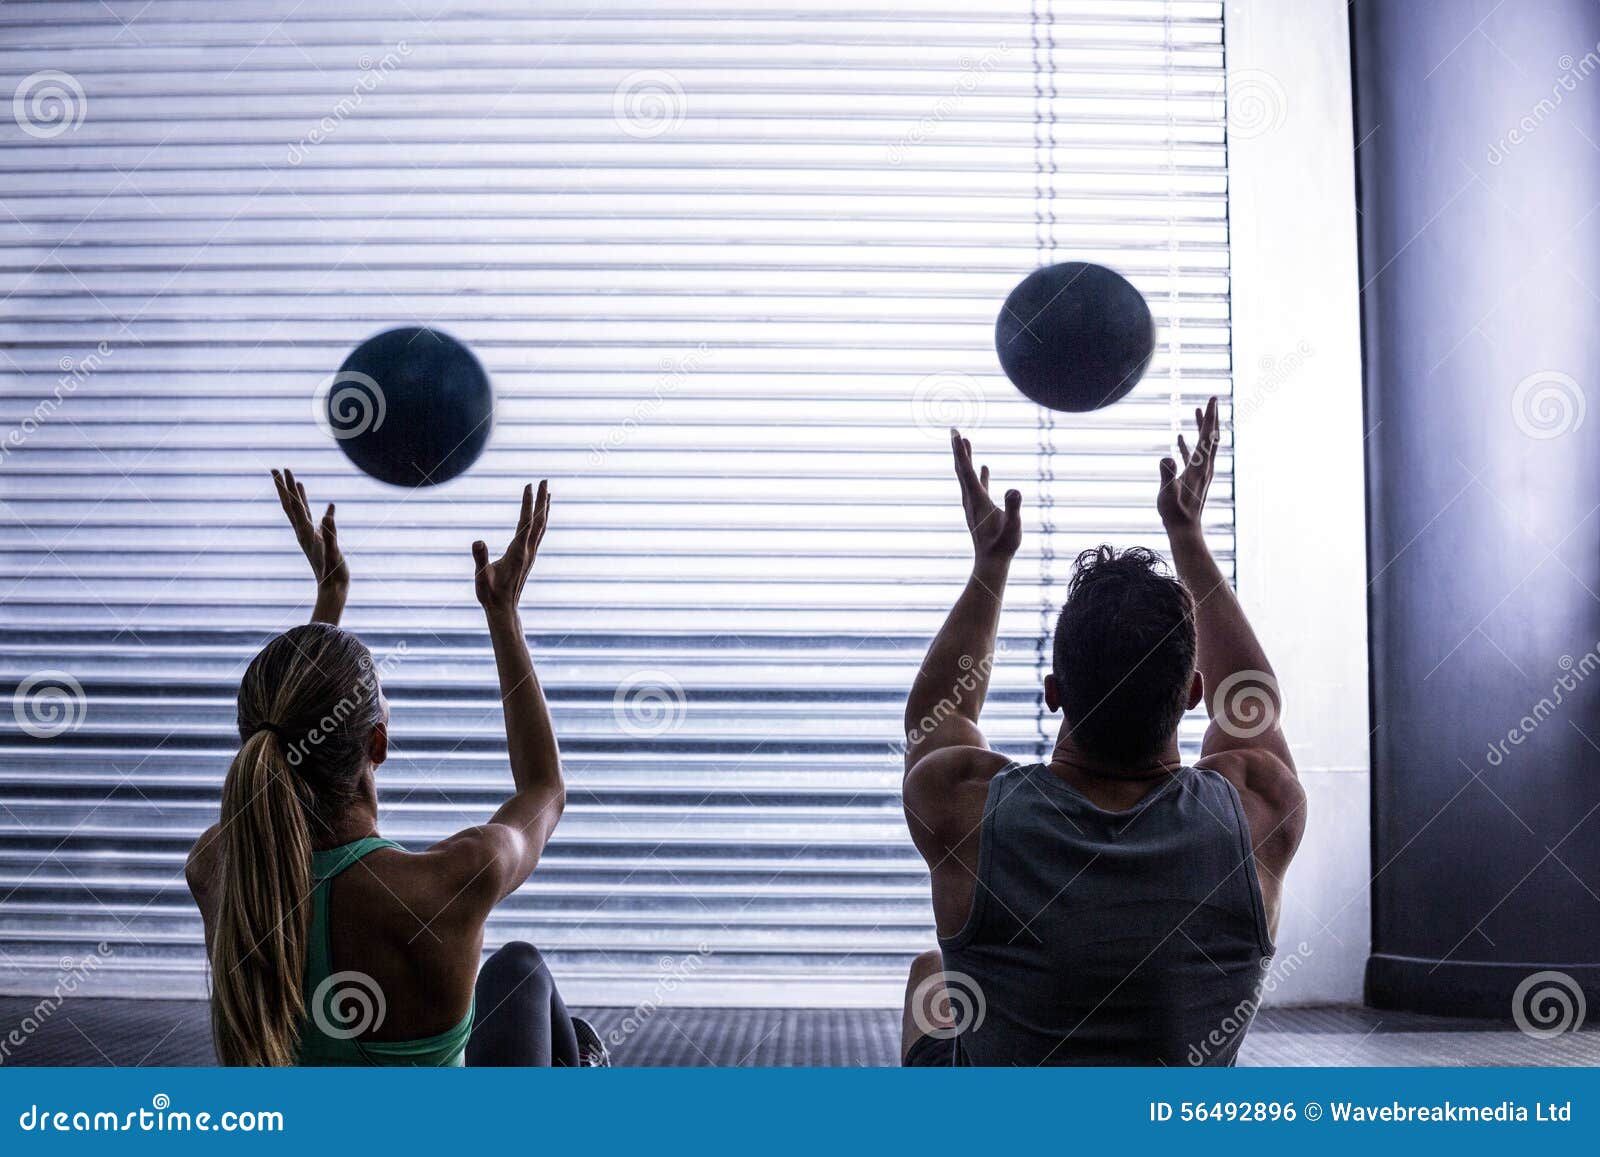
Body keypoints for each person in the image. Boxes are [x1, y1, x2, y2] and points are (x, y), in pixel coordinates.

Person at [899, 398, 1306, 1066]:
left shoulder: (967, 808)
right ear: (1191, 695)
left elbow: (935, 723)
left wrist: (991, 561)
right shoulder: (1260, 808)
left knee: (931, 975)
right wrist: (1188, 535)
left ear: (1054, 693)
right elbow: (1252, 706)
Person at [185, 471, 606, 1066]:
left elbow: (288, 733)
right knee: (519, 970)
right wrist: (502, 612)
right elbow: (544, 788)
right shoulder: (444, 885)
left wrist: (329, 597)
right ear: (377, 744)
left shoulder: (219, 871)